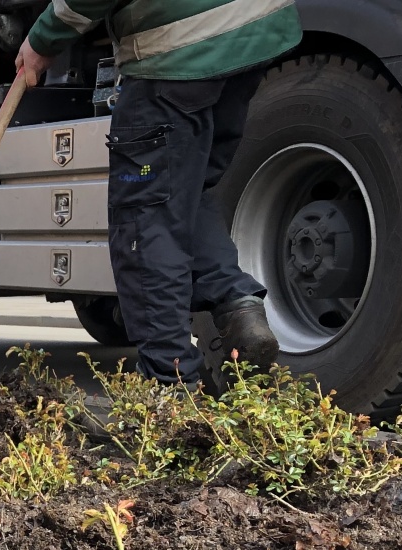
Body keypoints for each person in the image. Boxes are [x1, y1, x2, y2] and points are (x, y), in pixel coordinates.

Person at [16, 0, 300, 387]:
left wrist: (43, 38)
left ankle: (169, 383)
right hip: (252, 33)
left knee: (146, 219)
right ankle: (238, 304)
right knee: (182, 193)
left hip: (177, 49)